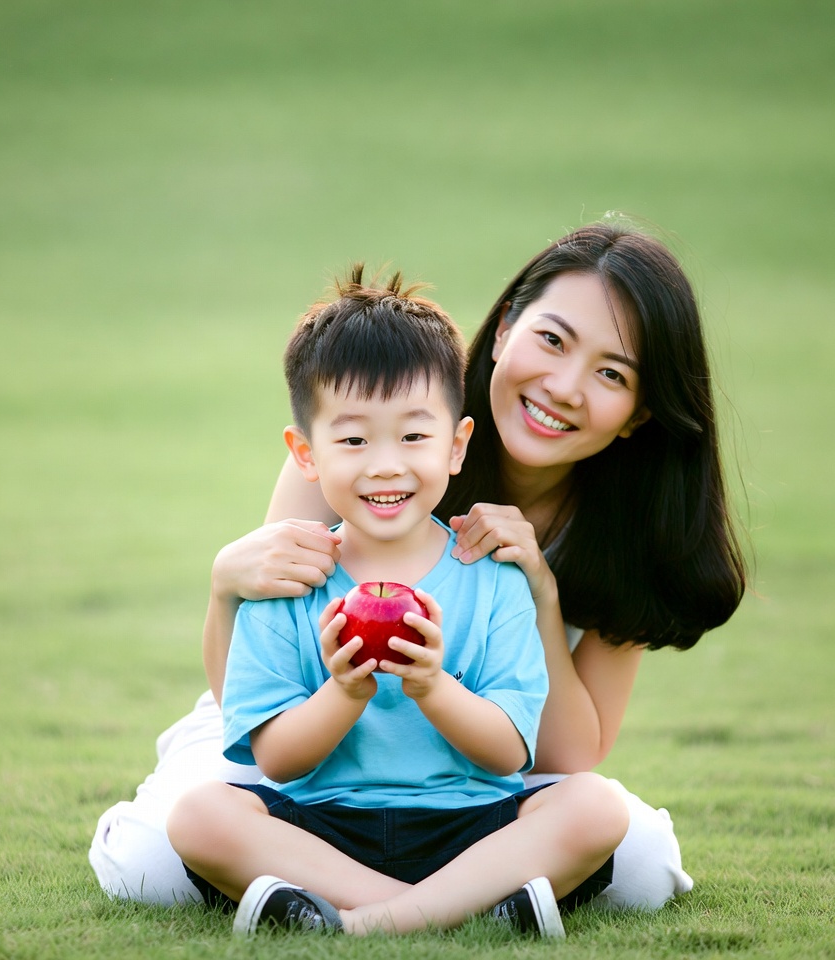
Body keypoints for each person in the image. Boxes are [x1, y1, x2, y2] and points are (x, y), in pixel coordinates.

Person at [90, 219, 745, 911]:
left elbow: (565, 756)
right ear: (504, 330)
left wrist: (541, 595)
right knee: (153, 864)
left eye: (612, 373)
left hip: (469, 772)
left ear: (640, 412)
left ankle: (360, 910)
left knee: (640, 865)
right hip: (306, 741)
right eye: (553, 340)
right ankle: (433, 908)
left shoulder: (632, 526)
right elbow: (255, 704)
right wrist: (226, 587)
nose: (564, 387)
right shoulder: (369, 419)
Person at [166, 268, 628, 937]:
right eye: (354, 440)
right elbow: (276, 760)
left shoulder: (492, 578)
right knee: (199, 815)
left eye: (413, 437)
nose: (385, 464)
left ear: (457, 446)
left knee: (594, 806)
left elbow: (509, 753)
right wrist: (344, 693)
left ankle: (356, 923)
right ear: (306, 454)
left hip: (468, 825)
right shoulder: (293, 576)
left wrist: (433, 686)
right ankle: (449, 911)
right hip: (323, 828)